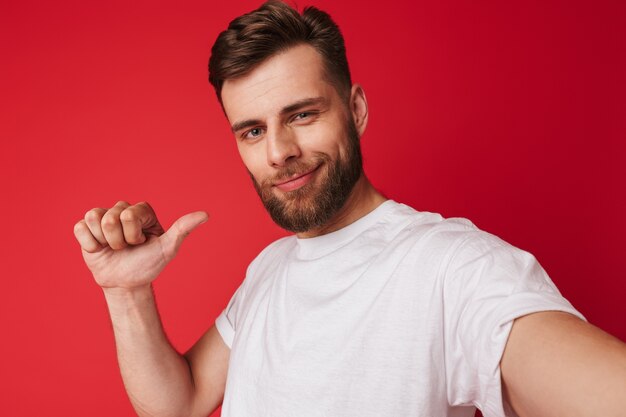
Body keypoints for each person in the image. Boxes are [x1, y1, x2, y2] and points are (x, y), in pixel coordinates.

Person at [72, 1, 626, 417]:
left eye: (303, 114)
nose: (278, 152)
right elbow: (181, 403)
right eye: (252, 130)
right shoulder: (269, 269)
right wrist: (127, 294)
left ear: (355, 109)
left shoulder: (452, 265)